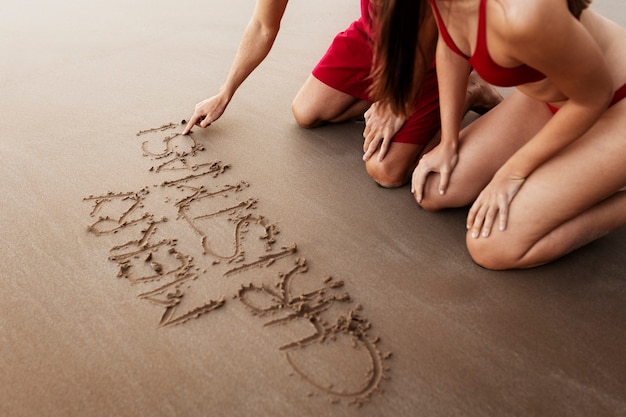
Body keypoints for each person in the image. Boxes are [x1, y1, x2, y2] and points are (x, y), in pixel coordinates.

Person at [375, 0, 626, 269]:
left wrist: (512, 172)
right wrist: (448, 142)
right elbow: (451, 47)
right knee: (434, 189)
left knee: (492, 246)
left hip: (613, 108)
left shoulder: (523, 13)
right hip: (552, 102)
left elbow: (593, 97)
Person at [183, 0, 502, 188]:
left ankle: (469, 89)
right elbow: (264, 25)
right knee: (306, 112)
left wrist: (398, 100)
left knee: (386, 171)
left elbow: (432, 24)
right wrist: (225, 92)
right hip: (375, 28)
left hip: (434, 44)